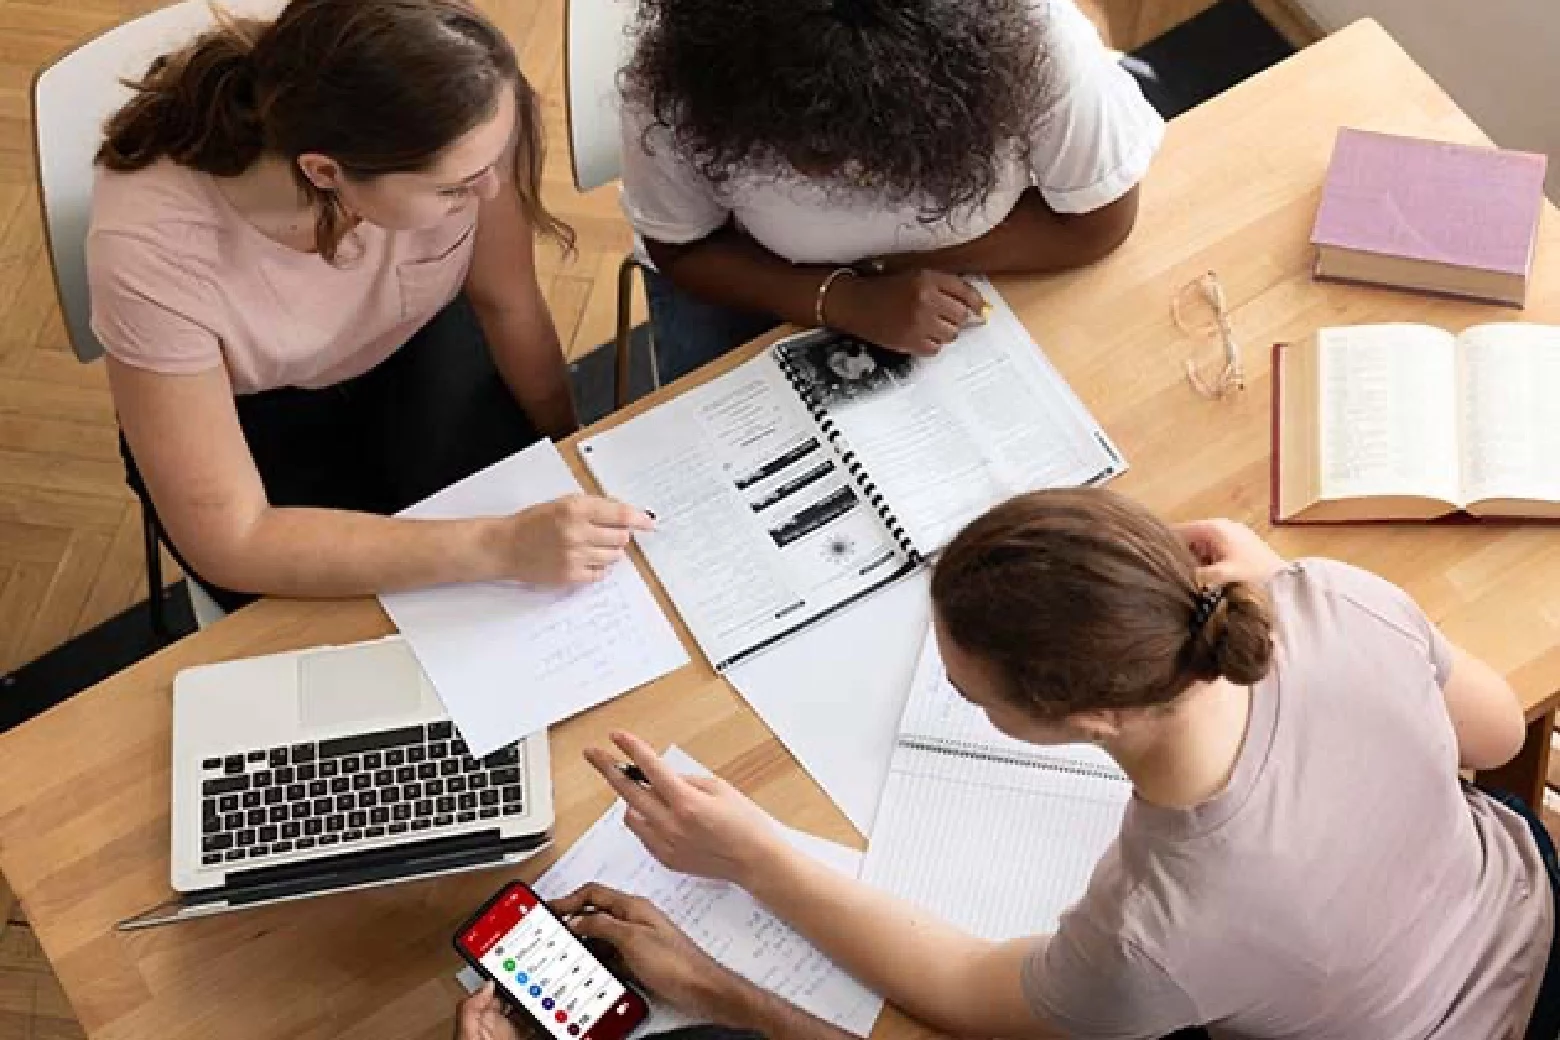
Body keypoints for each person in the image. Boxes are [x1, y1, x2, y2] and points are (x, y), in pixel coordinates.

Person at [562, 490, 1559, 1039]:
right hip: (1536, 906)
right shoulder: (1332, 596)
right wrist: (1281, 576)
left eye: (972, 694)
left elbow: (967, 990)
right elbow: (1496, 739)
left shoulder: (1151, 931)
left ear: (1087, 717)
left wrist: (755, 855)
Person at [90, 0, 652, 613]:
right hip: (254, 413)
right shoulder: (150, 250)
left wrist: (569, 449)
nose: (491, 191)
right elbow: (235, 538)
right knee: (364, 617)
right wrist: (499, 545)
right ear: (325, 172)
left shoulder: (465, 105)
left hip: (412, 341)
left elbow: (507, 301)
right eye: (454, 188)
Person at [619, 0, 1166, 382]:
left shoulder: (1035, 38)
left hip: (979, 290)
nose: (826, 175)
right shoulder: (680, 81)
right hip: (756, 282)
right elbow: (680, 248)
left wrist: (885, 270)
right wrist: (846, 300)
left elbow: (1100, 223)